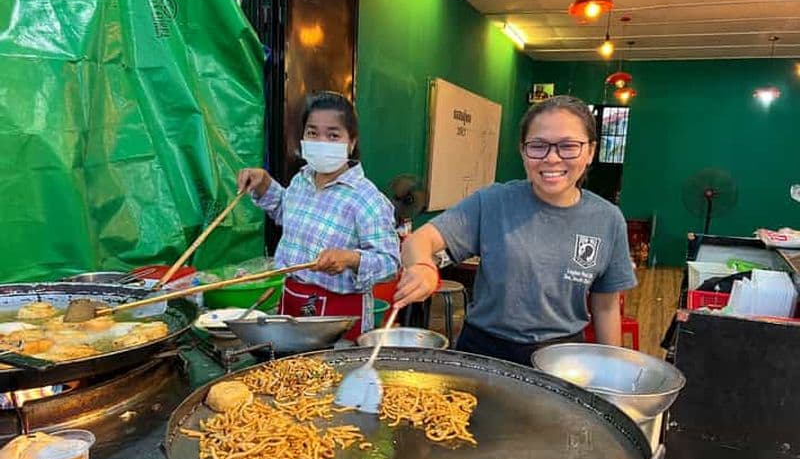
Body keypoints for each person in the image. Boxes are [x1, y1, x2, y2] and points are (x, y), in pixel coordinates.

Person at [394, 95, 637, 365]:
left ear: (590, 151)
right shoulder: (492, 202)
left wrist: (612, 371)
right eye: (538, 146)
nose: (552, 158)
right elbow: (418, 241)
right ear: (523, 151)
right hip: (484, 351)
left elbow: (605, 306)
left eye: (568, 146)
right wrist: (423, 268)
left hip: (563, 358)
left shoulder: (607, 219)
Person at [237, 91, 400, 339]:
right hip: (291, 302)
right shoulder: (301, 180)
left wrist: (350, 258)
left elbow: (390, 263)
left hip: (339, 316)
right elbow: (286, 211)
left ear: (352, 142)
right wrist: (264, 182)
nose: (321, 141)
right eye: (312, 133)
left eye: (333, 135)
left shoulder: (367, 199)